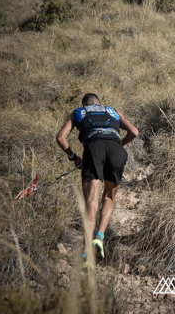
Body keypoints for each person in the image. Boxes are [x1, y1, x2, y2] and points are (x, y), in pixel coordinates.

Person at [56, 93, 138, 267]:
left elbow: (60, 138)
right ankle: (99, 237)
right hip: (116, 149)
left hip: (94, 148)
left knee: (91, 203)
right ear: (99, 103)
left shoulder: (79, 112)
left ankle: (86, 253)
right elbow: (134, 132)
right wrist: (117, 145)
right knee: (109, 197)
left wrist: (74, 157)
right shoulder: (114, 111)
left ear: (85, 104)